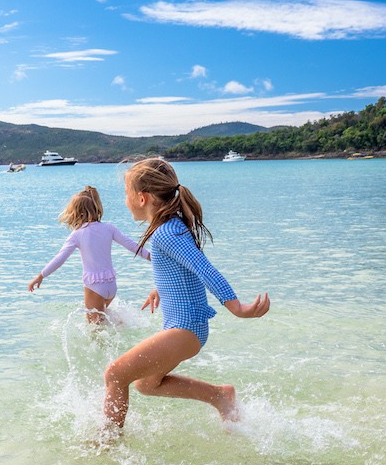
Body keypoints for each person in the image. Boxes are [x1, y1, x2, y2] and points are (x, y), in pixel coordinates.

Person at [103, 158, 269, 431]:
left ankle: (106, 443)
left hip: (185, 329)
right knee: (146, 384)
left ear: (142, 198)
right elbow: (183, 269)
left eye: (126, 195)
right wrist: (161, 288)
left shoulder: (166, 233)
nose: (124, 201)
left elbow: (205, 269)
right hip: (186, 328)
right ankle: (219, 395)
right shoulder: (169, 228)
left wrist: (237, 307)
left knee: (114, 375)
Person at [29, 186, 150, 324]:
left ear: (76, 212)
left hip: (94, 286)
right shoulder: (109, 228)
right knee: (104, 323)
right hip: (111, 285)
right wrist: (151, 257)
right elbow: (132, 245)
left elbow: (60, 258)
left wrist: (41, 275)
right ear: (96, 208)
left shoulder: (77, 234)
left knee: (95, 333)